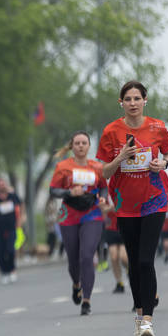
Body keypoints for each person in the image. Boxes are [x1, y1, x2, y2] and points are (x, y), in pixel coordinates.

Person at [96, 81, 168, 336]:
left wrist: (162, 162)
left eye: (136, 98)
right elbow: (104, 172)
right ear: (121, 103)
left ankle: (148, 322)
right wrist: (121, 158)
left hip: (154, 200)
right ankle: (139, 317)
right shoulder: (111, 131)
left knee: (145, 261)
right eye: (127, 99)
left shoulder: (157, 127)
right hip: (124, 204)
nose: (132, 103)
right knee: (133, 261)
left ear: (145, 101)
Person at [49, 131, 109, 316]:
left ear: (89, 146)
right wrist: (68, 193)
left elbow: (103, 188)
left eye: (84, 143)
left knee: (86, 256)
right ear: (72, 146)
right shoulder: (63, 166)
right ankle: (76, 284)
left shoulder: (97, 167)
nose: (81, 146)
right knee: (73, 258)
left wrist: (103, 199)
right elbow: (53, 191)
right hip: (69, 214)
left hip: (91, 214)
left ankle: (86, 300)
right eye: (77, 143)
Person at [0, 177, 22, 284]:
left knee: (10, 250)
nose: (1, 186)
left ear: (6, 185)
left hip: (11, 228)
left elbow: (19, 208)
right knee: (0, 252)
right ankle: (4, 272)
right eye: (0, 185)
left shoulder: (12, 196)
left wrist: (19, 221)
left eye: (3, 184)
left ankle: (12, 270)